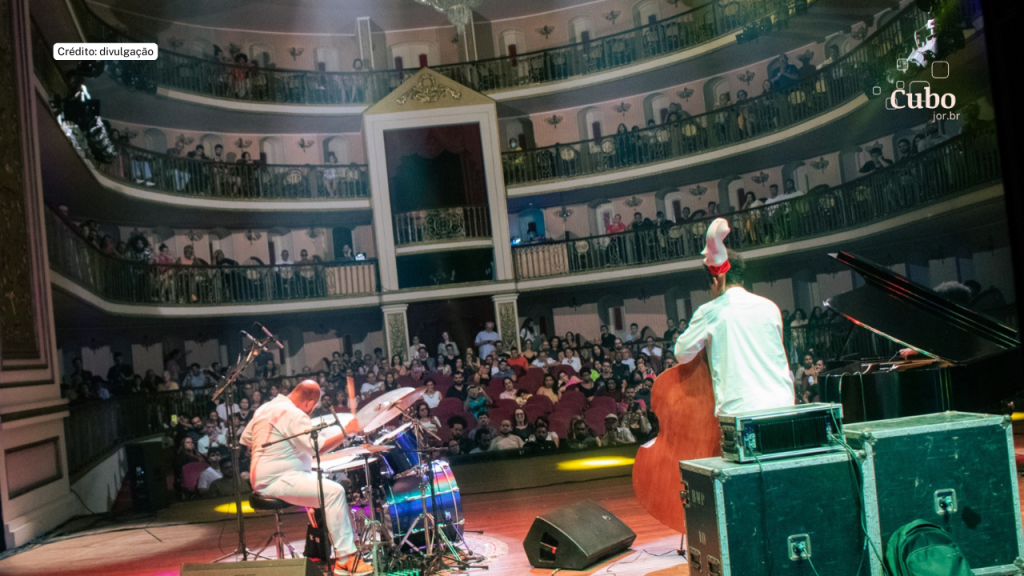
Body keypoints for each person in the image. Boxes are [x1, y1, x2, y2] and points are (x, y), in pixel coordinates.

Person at [240, 380, 369, 576]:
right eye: (313, 408)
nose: (311, 411)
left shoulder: (267, 407)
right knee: (334, 492)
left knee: (325, 485)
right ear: (309, 403)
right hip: (277, 478)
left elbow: (247, 438)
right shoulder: (294, 414)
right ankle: (345, 559)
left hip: (262, 476)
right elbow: (316, 448)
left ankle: (348, 544)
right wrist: (346, 432)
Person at [672, 219, 794, 416]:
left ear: (715, 280)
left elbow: (681, 352)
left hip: (741, 412)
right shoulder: (771, 307)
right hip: (784, 405)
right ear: (742, 279)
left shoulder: (709, 311)